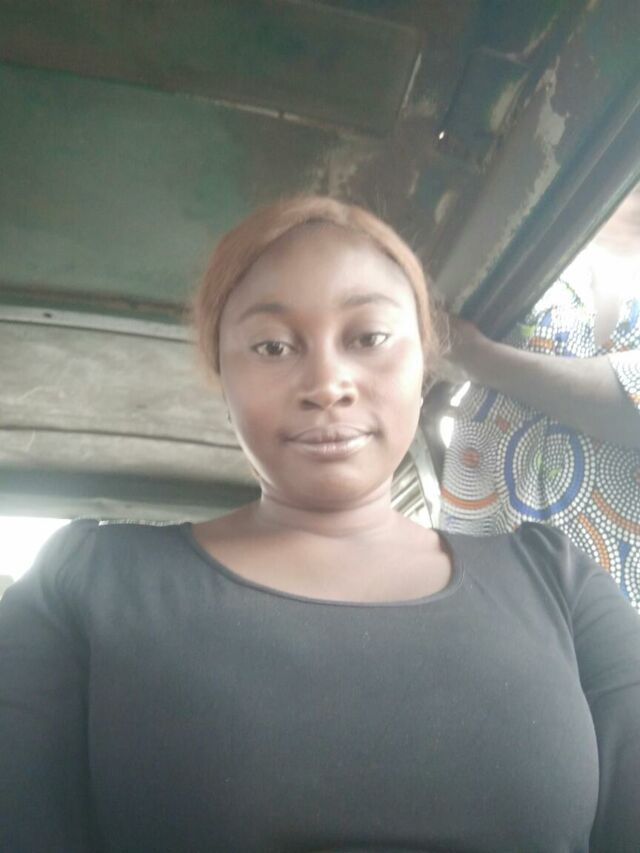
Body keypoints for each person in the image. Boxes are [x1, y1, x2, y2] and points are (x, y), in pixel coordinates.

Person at [0, 196, 639, 852]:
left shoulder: (558, 583)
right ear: (224, 379)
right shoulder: (88, 584)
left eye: (368, 338)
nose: (327, 383)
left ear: (423, 365)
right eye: (273, 346)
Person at [441, 186, 640, 612]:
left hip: (619, 596)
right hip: (493, 581)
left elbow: (630, 403)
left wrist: (475, 356)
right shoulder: (528, 256)